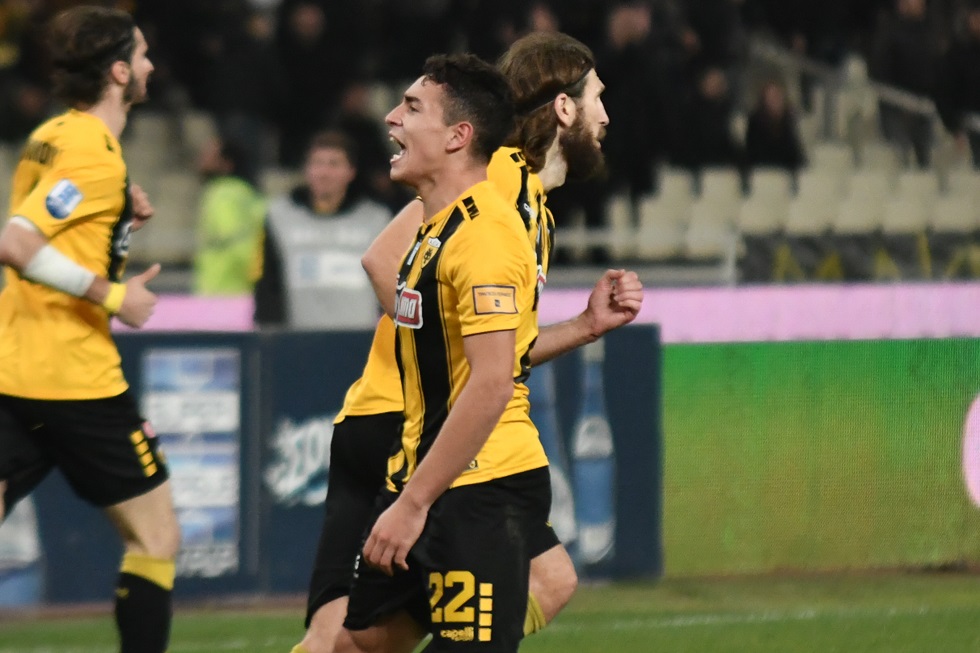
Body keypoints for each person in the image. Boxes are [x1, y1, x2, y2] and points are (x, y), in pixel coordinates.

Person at [289, 31, 644, 653]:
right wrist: (434, 361)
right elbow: (384, 261)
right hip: (406, 420)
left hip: (443, 421)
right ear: (564, 107)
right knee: (347, 639)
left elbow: (497, 351)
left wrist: (583, 328)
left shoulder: (533, 206)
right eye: (598, 97)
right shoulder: (496, 173)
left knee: (545, 582)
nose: (607, 115)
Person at [344, 51, 540, 653]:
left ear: (458, 136)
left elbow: (492, 382)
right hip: (421, 477)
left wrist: (413, 505)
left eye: (411, 108)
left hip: (477, 488)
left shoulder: (484, 237)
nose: (390, 118)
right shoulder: (436, 229)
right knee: (359, 642)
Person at [0, 7, 179, 653]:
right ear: (119, 71)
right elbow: (18, 242)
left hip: (12, 366)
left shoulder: (52, 134)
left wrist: (119, 220)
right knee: (155, 538)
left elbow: (58, 228)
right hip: (74, 378)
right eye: (142, 53)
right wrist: (115, 296)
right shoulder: (92, 155)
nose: (151, 65)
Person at [253, 130, 392, 329]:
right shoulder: (280, 217)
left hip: (360, 339)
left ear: (351, 171)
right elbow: (267, 283)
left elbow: (390, 284)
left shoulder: (377, 219)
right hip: (300, 339)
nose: (324, 173)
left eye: (334, 164)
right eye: (317, 164)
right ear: (306, 169)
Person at [192, 136, 267, 296]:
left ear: (226, 163)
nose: (201, 159)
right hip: (248, 291)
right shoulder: (252, 196)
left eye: (209, 155)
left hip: (221, 292)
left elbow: (235, 242)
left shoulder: (221, 195)